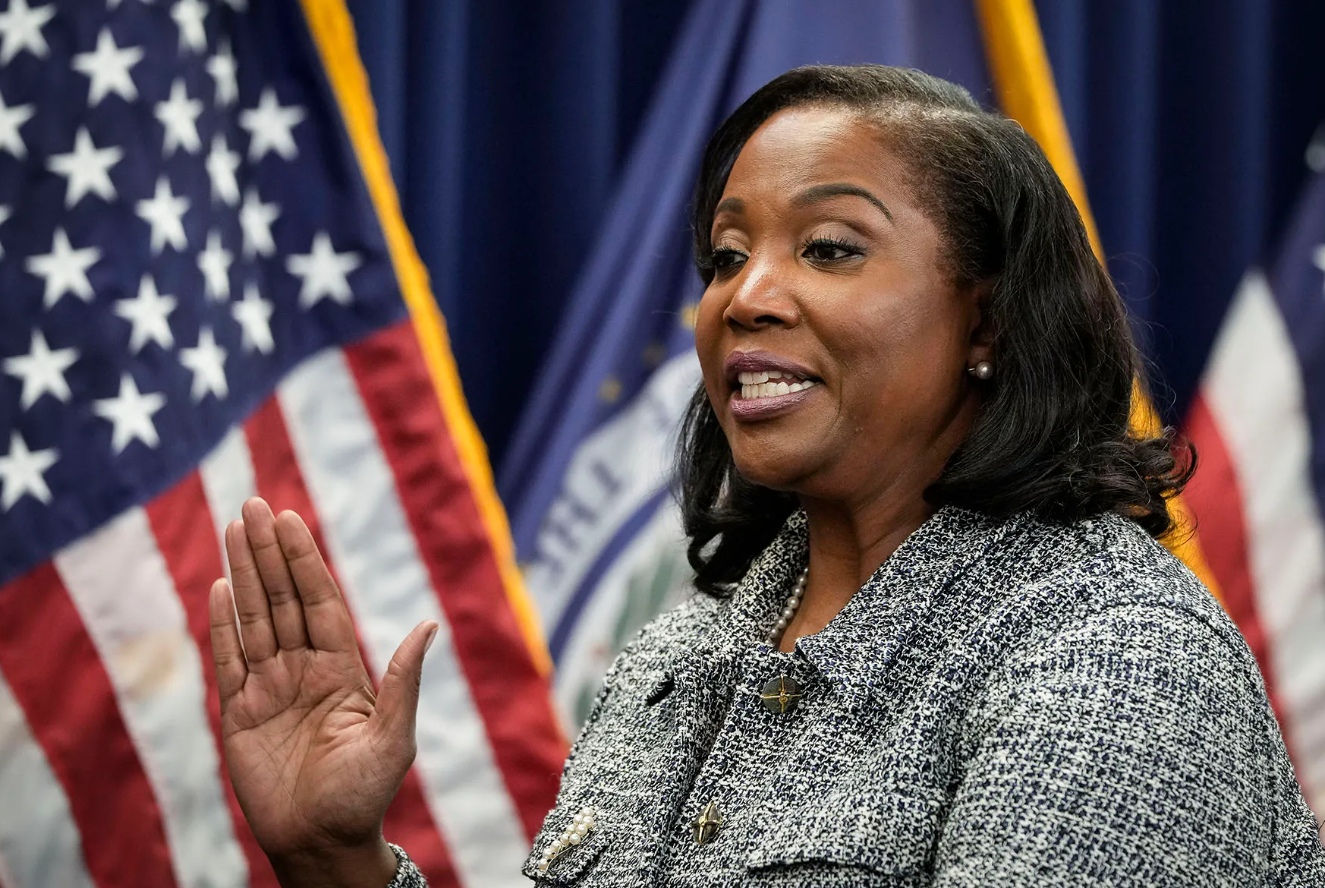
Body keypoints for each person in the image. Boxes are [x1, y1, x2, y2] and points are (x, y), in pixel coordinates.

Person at [208, 65, 1325, 887]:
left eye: (828, 248)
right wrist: (333, 858)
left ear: (984, 318)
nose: (744, 297)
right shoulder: (680, 655)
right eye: (727, 255)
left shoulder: (1115, 659)